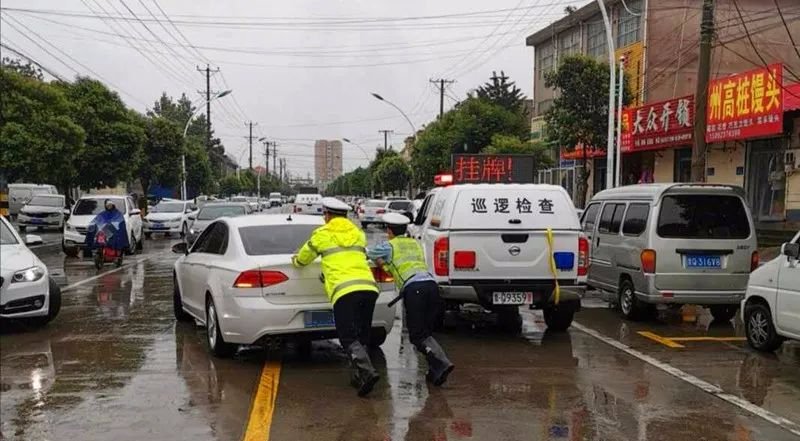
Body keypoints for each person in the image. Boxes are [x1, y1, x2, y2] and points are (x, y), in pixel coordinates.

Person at [292, 197, 381, 397]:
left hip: (344, 291)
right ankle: (359, 376)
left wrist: (296, 260)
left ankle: (366, 372)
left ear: (327, 215)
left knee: (347, 337)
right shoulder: (358, 234)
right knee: (361, 334)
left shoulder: (321, 235)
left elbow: (302, 259)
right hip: (369, 289)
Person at [368, 212, 454, 386]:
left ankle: (442, 362)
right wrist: (385, 266)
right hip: (431, 286)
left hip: (415, 290)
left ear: (389, 231)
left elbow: (369, 254)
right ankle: (435, 371)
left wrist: (379, 263)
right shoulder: (415, 244)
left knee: (416, 335)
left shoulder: (389, 246)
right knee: (425, 333)